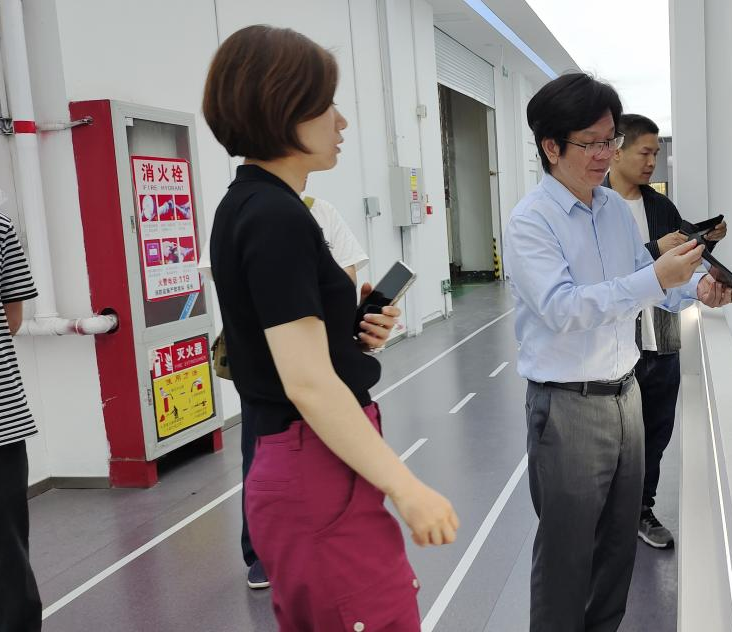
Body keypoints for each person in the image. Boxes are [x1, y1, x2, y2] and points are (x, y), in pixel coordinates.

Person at [203, 25, 459, 630]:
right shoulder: (276, 217)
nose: (341, 122)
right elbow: (308, 383)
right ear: (281, 108)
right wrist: (407, 489)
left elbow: (280, 341)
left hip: (310, 458)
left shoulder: (253, 205)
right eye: (325, 105)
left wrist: (346, 329)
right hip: (310, 460)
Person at [503, 73, 732, 632]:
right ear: (551, 147)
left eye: (610, 140)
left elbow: (644, 283)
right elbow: (563, 308)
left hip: (625, 396)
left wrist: (697, 288)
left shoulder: (611, 208)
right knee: (566, 560)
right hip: (568, 407)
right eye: (591, 143)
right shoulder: (531, 221)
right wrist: (656, 277)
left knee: (616, 554)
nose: (605, 154)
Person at [197, 193, 369, 590]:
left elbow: (347, 276)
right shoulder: (238, 210)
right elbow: (230, 284)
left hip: (321, 354)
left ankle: (323, 541)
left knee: (324, 451)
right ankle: (260, 552)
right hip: (263, 362)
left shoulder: (323, 210)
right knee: (261, 453)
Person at [606, 114, 728, 549]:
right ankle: (611, 515)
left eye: (656, 154)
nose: (652, 162)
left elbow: (683, 268)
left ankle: (642, 510)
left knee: (656, 434)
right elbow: (603, 274)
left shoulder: (660, 207)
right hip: (616, 348)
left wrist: (706, 241)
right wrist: (653, 249)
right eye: (645, 152)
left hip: (661, 340)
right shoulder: (597, 209)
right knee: (615, 441)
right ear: (617, 151)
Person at [0, 208, 41, 632]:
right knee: (6, 542)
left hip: (1, 420)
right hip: (0, 414)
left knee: (7, 544)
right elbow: (11, 318)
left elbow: (12, 315)